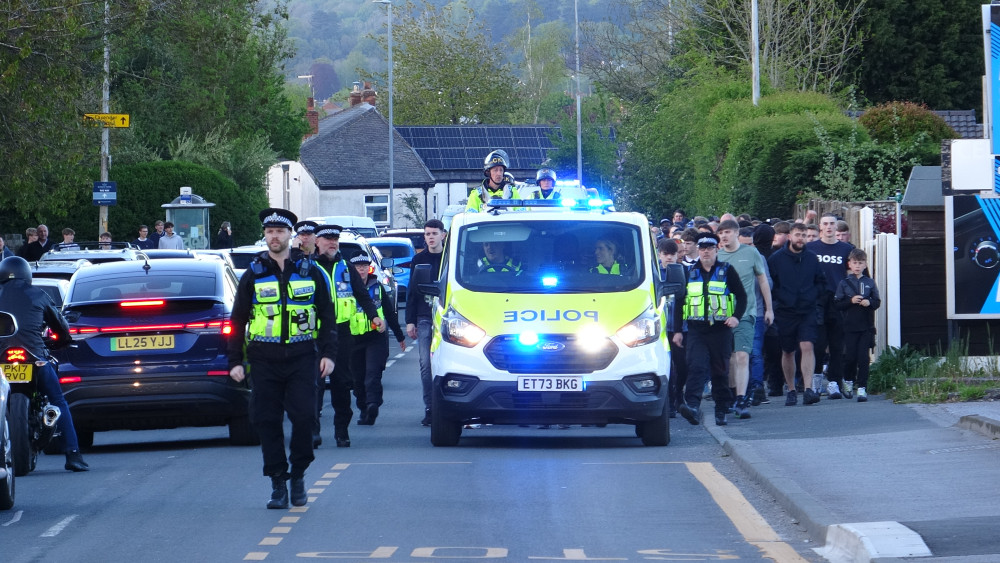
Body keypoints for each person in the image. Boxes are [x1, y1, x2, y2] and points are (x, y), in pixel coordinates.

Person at [227, 208, 337, 509]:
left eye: (279, 231)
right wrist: (235, 360)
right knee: (266, 421)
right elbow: (237, 320)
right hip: (263, 358)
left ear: (291, 235)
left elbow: (327, 316)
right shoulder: (254, 273)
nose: (274, 237)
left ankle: (299, 473)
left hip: (302, 357)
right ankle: (278, 481)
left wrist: (329, 354)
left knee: (304, 418)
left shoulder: (310, 271)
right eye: (269, 232)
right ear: (265, 236)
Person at [0, 256, 89, 471]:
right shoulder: (39, 294)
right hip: (34, 357)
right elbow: (60, 326)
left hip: (2, 361)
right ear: (27, 275)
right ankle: (73, 455)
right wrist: (64, 339)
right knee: (58, 400)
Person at [313, 224, 384, 448]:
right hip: (314, 334)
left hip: (341, 333)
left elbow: (363, 295)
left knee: (342, 384)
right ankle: (313, 430)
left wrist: (374, 316)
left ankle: (341, 430)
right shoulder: (309, 267)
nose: (332, 243)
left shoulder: (346, 267)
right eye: (327, 239)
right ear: (317, 242)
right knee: (314, 384)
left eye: (335, 239)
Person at [672, 233, 747, 426]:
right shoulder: (689, 272)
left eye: (709, 248)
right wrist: (678, 330)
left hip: (720, 330)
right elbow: (680, 302)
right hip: (697, 330)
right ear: (698, 250)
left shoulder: (727, 270)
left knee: (720, 371)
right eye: (702, 248)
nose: (706, 251)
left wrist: (736, 317)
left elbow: (742, 296)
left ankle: (721, 409)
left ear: (716, 249)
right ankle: (693, 407)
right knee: (695, 367)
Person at [716, 220, 773, 419]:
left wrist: (769, 308)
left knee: (742, 356)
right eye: (721, 232)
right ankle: (733, 395)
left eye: (728, 232)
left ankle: (741, 399)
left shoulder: (751, 254)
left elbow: (763, 280)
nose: (724, 236)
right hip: (721, 315)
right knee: (730, 359)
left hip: (746, 313)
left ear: (736, 233)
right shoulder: (717, 256)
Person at [768, 222, 826, 406]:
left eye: (804, 235)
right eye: (798, 235)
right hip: (785, 311)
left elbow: (821, 282)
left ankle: (808, 389)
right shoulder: (776, 259)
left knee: (807, 345)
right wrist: (779, 302)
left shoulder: (811, 258)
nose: (801, 239)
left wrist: (813, 296)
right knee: (788, 351)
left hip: (807, 310)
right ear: (790, 236)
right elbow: (770, 284)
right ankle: (791, 389)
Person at [348, 252, 406, 425]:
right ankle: (363, 409)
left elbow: (389, 312)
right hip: (353, 340)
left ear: (369, 268)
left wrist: (399, 335)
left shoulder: (377, 287)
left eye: (364, 266)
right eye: (358, 267)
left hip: (376, 338)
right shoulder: (345, 288)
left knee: (372, 374)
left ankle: (373, 404)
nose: (361, 270)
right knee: (357, 379)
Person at [807, 213, 855, 400]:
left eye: (832, 224)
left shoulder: (846, 248)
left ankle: (834, 382)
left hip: (838, 301)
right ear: (820, 226)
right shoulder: (811, 248)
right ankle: (816, 380)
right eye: (825, 224)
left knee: (837, 345)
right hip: (817, 301)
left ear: (837, 227)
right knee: (818, 345)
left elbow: (854, 275)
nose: (828, 227)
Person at [405, 219, 446, 426]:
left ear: (443, 235)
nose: (430, 237)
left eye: (434, 233)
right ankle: (430, 408)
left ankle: (450, 406)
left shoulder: (452, 258)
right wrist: (409, 321)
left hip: (449, 318)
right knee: (425, 364)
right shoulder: (418, 259)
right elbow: (412, 292)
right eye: (427, 234)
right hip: (425, 317)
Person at [834, 248, 880, 403]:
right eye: (855, 263)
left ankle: (862, 387)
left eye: (860, 263)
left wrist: (870, 302)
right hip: (849, 327)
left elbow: (877, 301)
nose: (858, 266)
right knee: (850, 357)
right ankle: (848, 381)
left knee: (863, 358)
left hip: (865, 327)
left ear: (865, 264)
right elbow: (838, 303)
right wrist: (850, 301)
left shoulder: (869, 282)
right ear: (850, 264)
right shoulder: (844, 283)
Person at [657, 238, 686, 419]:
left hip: (679, 326)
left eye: (672, 254)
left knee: (682, 365)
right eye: (665, 254)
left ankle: (678, 395)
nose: (669, 258)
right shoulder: (655, 274)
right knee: (665, 366)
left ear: (677, 255)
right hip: (660, 328)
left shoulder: (683, 272)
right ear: (659, 255)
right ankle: (668, 401)